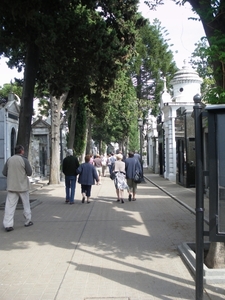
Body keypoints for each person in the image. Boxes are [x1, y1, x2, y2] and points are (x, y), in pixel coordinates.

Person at [2, 145, 33, 232]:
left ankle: (8, 224)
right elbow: (29, 173)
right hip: (23, 186)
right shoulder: (24, 160)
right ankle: (28, 221)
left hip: (12, 186)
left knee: (9, 206)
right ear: (22, 151)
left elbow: (4, 173)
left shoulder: (9, 160)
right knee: (26, 204)